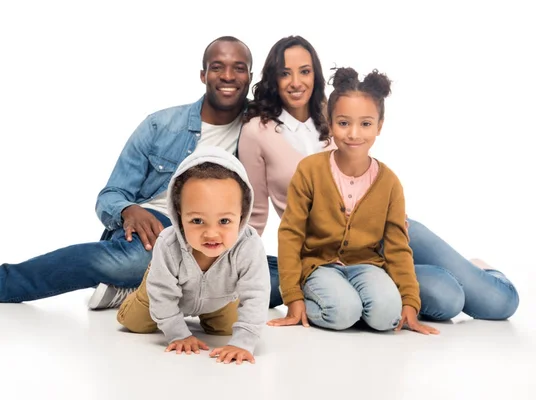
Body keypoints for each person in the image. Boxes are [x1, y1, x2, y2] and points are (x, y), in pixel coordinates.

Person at [0, 36, 254, 309]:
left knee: (275, 274)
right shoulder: (161, 125)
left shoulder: (260, 130)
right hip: (158, 229)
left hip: (216, 236)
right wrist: (130, 210)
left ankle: (138, 293)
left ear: (250, 77)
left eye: (238, 68)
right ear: (203, 74)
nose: (228, 75)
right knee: (138, 260)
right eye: (217, 66)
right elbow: (111, 195)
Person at [237, 35, 519, 321]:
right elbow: (255, 213)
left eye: (305, 71)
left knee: (498, 304)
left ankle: (479, 272)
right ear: (273, 78)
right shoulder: (257, 132)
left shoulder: (337, 111)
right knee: (445, 296)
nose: (296, 81)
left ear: (316, 74)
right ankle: (446, 276)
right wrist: (234, 264)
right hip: (327, 254)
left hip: (387, 231)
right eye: (285, 73)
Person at [267, 66, 438, 333]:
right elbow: (291, 233)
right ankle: (336, 305)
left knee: (387, 318)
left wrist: (409, 301)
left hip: (366, 265)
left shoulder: (390, 183)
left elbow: (397, 246)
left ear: (379, 126)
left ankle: (352, 305)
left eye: (366, 124)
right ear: (330, 121)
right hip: (318, 265)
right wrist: (293, 297)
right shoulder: (310, 170)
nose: (354, 134)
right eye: (344, 123)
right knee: (341, 313)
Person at [116, 146, 270, 365]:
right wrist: (179, 333)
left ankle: (209, 316)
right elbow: (163, 295)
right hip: (164, 293)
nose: (211, 233)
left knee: (225, 330)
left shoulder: (248, 245)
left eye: (224, 221)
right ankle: (130, 291)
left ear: (242, 216)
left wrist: (243, 342)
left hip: (219, 299)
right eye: (197, 221)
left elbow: (257, 294)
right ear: (179, 214)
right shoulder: (168, 244)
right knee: (133, 323)